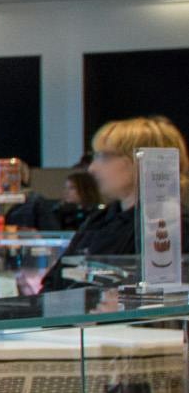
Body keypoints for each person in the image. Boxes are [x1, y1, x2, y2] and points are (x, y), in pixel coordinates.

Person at [43, 116, 186, 291]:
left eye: (103, 156)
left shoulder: (174, 225)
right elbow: (53, 283)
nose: (92, 168)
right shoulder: (100, 220)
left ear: (138, 161)